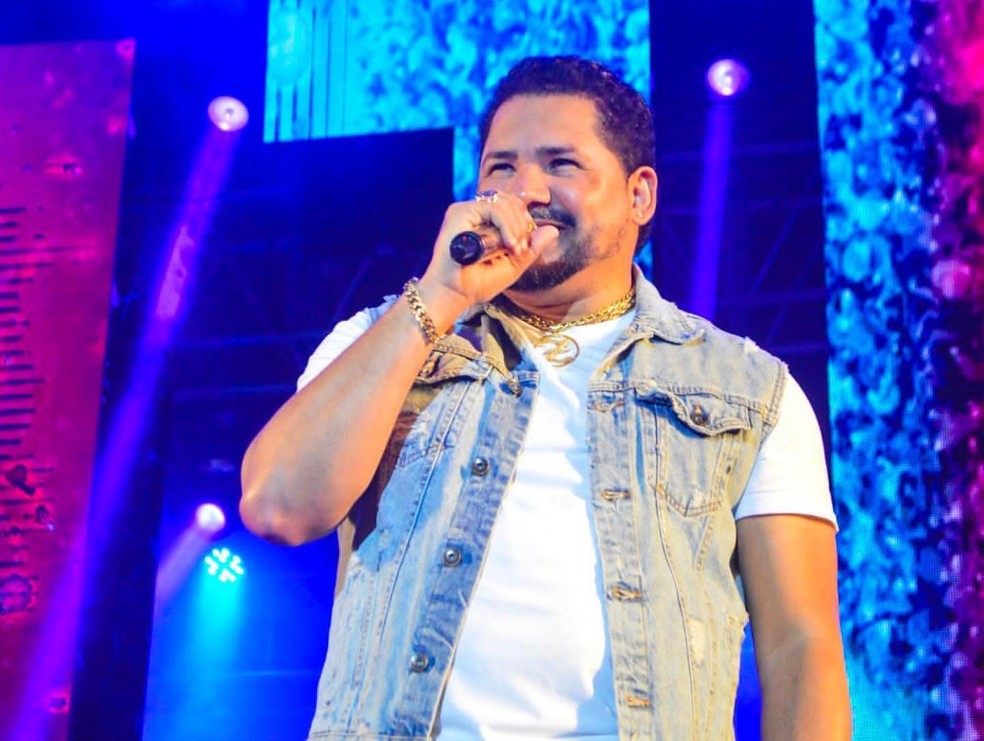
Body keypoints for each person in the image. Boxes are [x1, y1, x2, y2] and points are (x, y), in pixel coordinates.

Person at [240, 56, 851, 740]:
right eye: (501, 168)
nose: (525, 191)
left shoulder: (748, 388)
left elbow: (800, 646)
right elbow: (277, 505)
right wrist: (439, 296)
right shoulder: (385, 338)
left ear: (640, 195)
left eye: (561, 163)